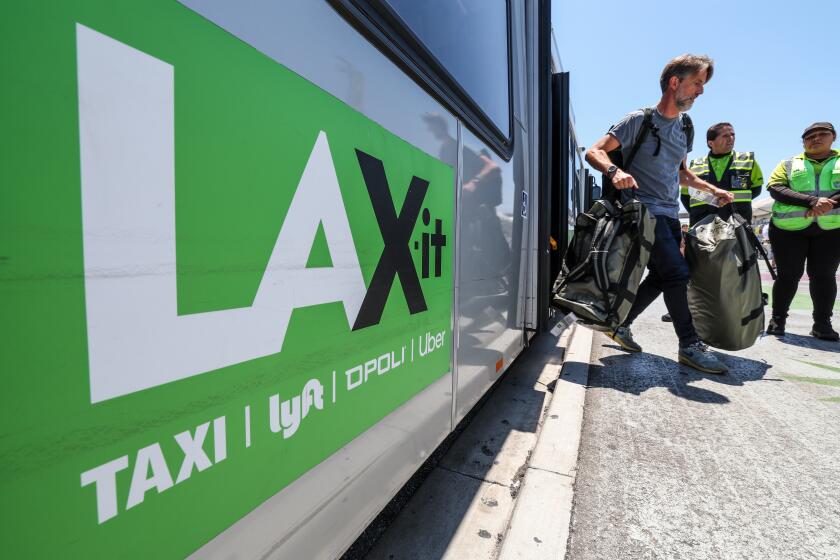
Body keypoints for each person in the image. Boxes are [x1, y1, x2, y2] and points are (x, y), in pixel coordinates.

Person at [585, 54, 735, 374]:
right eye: (697, 83)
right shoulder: (639, 119)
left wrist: (714, 190)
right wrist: (615, 171)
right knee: (678, 273)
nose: (701, 91)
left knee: (660, 276)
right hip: (642, 210)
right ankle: (690, 344)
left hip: (669, 213)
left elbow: (682, 175)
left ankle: (620, 323)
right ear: (675, 82)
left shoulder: (685, 127)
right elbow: (594, 151)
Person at [765, 122, 840, 341]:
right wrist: (813, 201)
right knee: (788, 275)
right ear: (803, 142)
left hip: (831, 229)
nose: (816, 139)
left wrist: (829, 204)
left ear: (833, 137)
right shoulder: (788, 163)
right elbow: (776, 188)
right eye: (810, 136)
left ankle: (822, 324)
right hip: (788, 230)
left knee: (824, 276)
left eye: (822, 134)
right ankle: (777, 319)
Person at [680, 123, 763, 225]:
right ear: (710, 143)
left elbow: (757, 189)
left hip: (737, 224)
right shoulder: (694, 166)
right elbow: (685, 196)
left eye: (733, 134)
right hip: (702, 226)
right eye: (725, 136)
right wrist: (700, 211)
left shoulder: (748, 161)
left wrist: (736, 206)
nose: (731, 138)